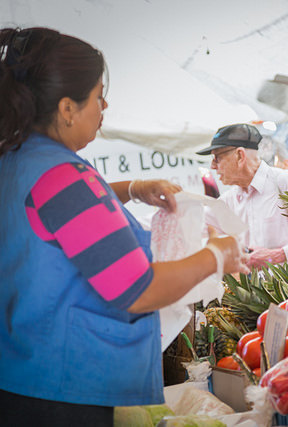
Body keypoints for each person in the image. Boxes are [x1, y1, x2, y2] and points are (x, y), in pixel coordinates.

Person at [0, 27, 249, 426]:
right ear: (67, 108)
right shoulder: (62, 176)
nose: (105, 106)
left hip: (22, 371)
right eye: (98, 97)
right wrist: (215, 256)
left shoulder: (16, 159)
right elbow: (138, 289)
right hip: (63, 390)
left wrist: (131, 189)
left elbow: (49, 215)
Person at [197, 123, 288, 269]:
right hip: (254, 288)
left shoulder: (286, 182)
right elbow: (193, 229)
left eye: (217, 158)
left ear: (240, 155)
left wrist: (279, 255)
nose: (213, 166)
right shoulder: (229, 200)